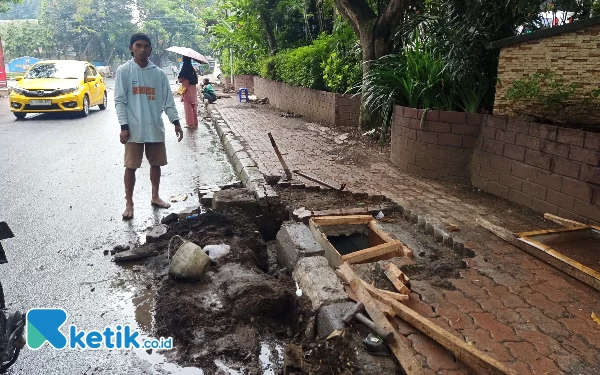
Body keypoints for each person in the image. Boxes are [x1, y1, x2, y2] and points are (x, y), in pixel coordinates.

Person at [114, 33, 183, 220]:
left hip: (154, 127)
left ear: (151, 49)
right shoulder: (124, 71)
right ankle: (129, 203)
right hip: (133, 128)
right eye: (138, 45)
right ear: (131, 48)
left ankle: (155, 196)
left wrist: (176, 122)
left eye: (146, 46)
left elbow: (168, 101)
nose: (143, 49)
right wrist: (124, 126)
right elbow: (120, 101)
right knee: (130, 167)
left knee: (156, 164)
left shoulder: (158, 74)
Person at [178, 56, 199, 129]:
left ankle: (190, 123)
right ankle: (195, 122)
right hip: (193, 88)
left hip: (187, 88)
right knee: (193, 105)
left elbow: (180, 79)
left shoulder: (185, 67)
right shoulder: (192, 68)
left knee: (188, 106)